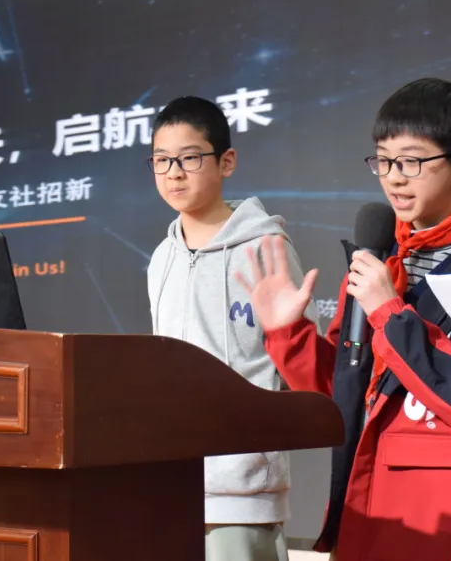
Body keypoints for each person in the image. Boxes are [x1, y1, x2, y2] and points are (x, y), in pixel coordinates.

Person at [237, 78, 451, 561]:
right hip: (373, 508)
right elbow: (347, 395)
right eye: (384, 161)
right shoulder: (378, 262)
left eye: (412, 161)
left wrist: (390, 312)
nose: (394, 178)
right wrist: (288, 335)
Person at [146, 95, 316, 561]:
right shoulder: (161, 258)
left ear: (226, 162)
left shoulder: (265, 248)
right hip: (170, 480)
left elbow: (301, 367)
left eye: (189, 158)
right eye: (161, 160)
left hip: (243, 489)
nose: (174, 173)